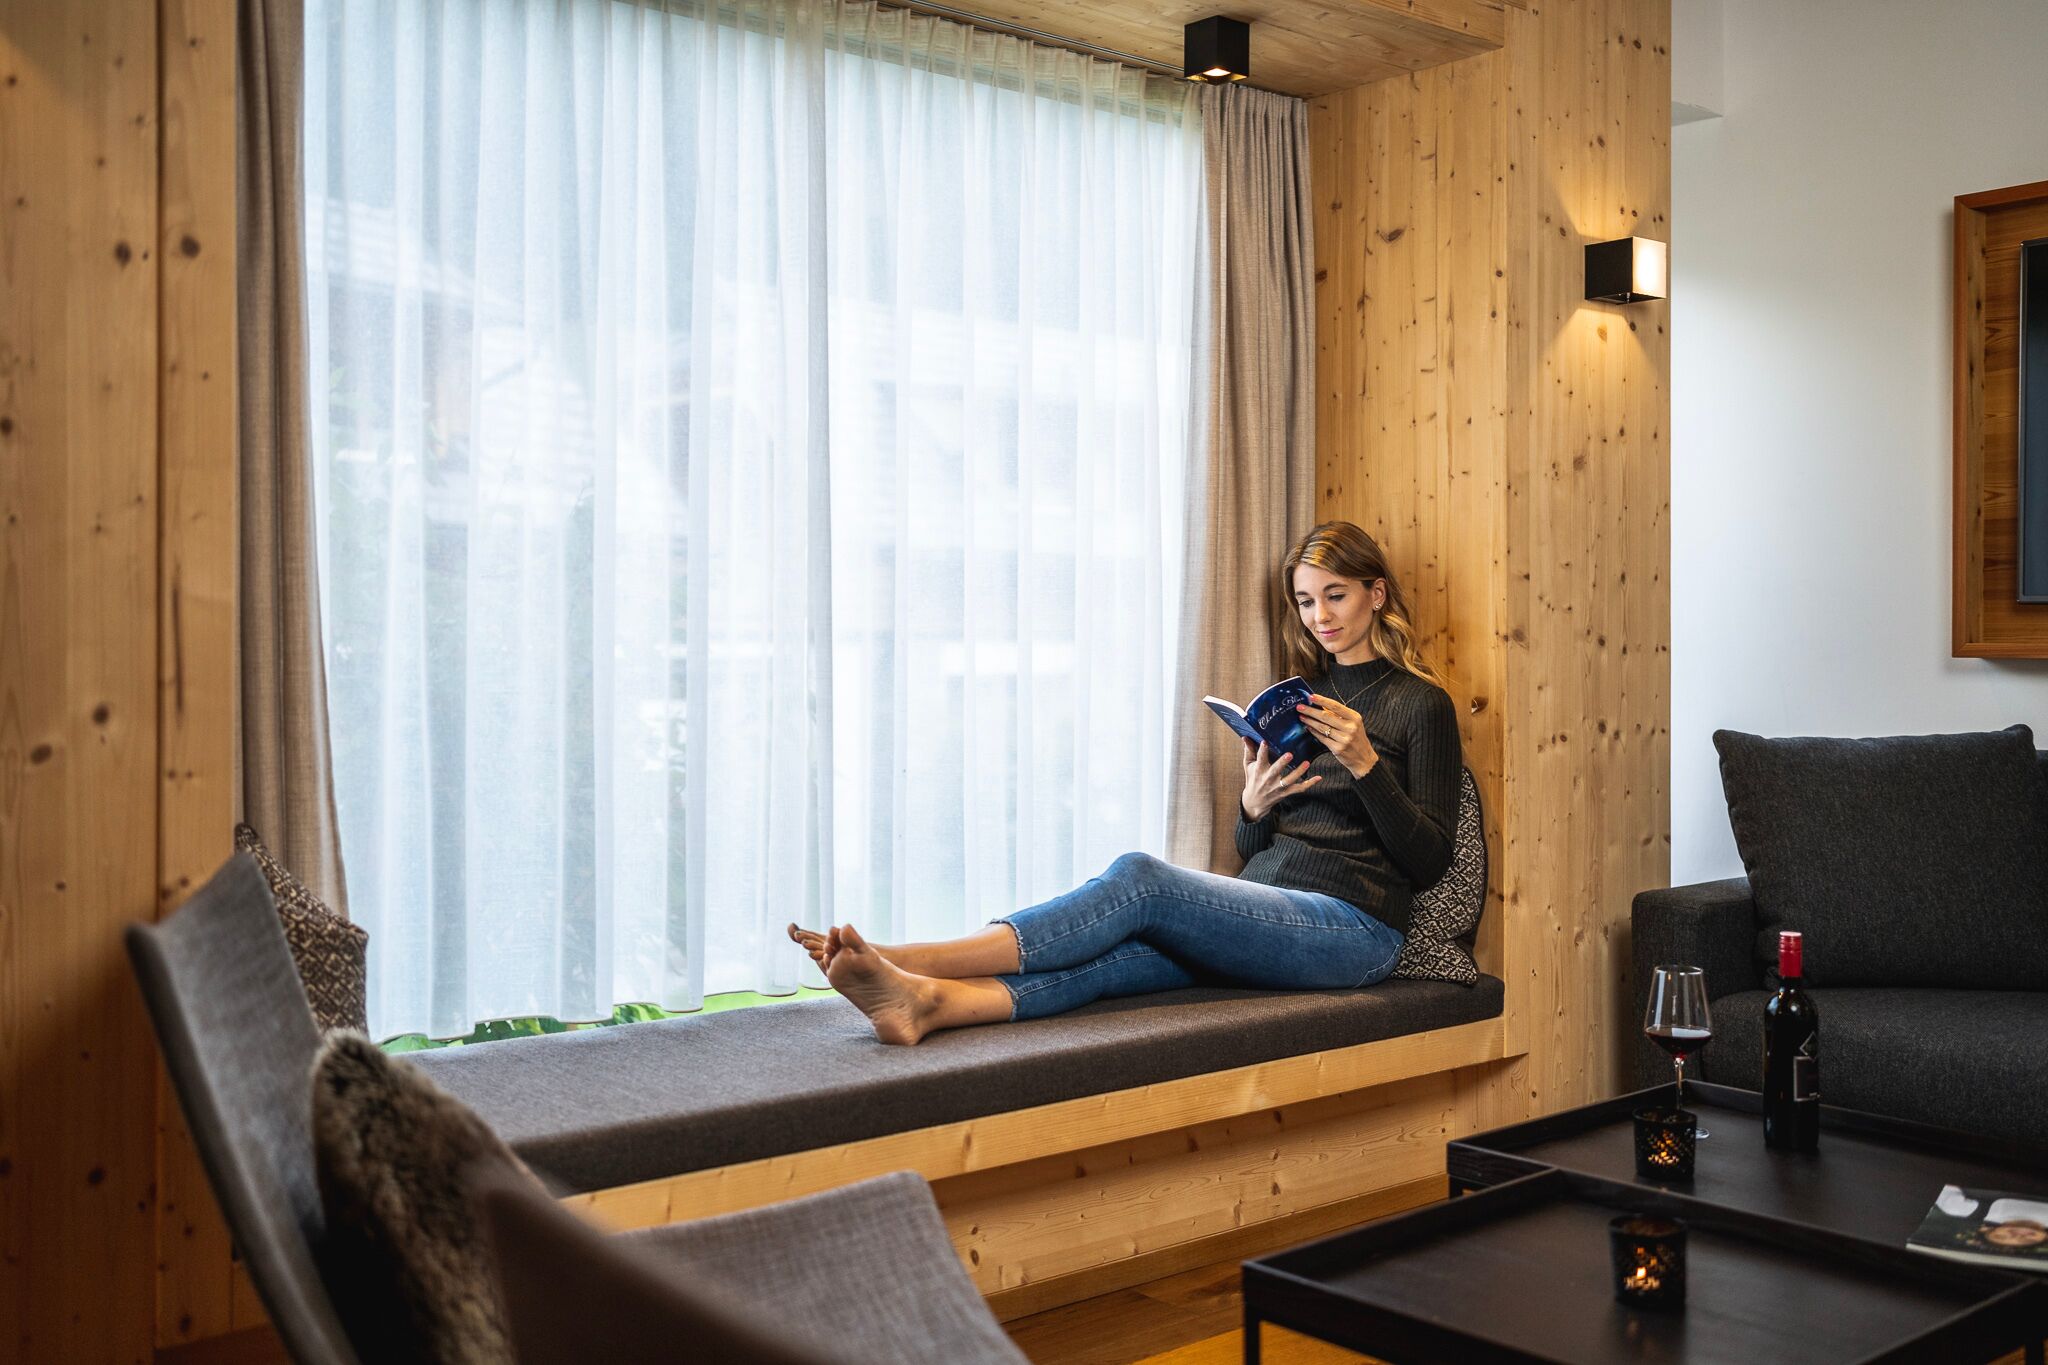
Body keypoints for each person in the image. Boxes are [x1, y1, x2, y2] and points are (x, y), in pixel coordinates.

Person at [789, 520, 1464, 1044]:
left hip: (1356, 931)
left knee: (1141, 877)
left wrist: (1368, 768)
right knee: (1128, 957)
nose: (1321, 617)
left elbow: (1429, 860)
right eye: (1307, 600)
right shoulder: (1301, 696)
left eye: (1336, 596)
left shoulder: (1419, 703)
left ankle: (911, 956)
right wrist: (1252, 807)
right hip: (1268, 903)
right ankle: (927, 1005)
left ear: (1376, 593)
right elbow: (1258, 841)